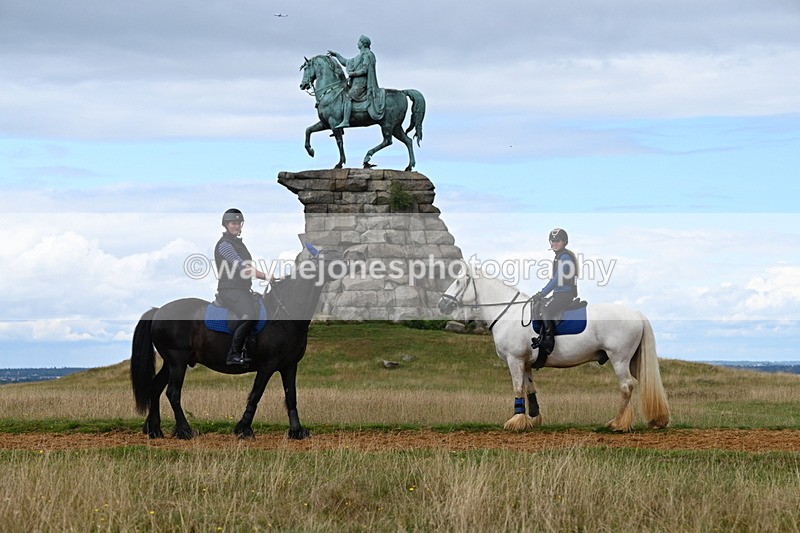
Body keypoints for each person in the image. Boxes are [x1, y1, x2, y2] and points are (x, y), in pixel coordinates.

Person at [214, 208, 268, 366]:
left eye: (238, 223)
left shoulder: (238, 244)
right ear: (226, 225)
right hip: (229, 290)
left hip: (242, 289)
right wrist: (266, 276)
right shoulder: (224, 245)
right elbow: (243, 268)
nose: (236, 226)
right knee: (249, 314)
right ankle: (233, 354)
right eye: (233, 223)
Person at [531, 228, 579, 369]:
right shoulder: (560, 256)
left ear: (564, 242)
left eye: (557, 241)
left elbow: (557, 279)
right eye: (552, 241)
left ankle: (548, 341)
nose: (554, 243)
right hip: (560, 293)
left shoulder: (565, 257)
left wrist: (541, 293)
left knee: (545, 308)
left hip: (564, 294)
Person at [327, 35, 384, 128]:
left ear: (363, 44)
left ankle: (346, 121)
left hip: (362, 83)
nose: (357, 43)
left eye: (359, 42)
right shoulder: (359, 56)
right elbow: (346, 62)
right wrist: (336, 55)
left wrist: (353, 74)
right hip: (355, 83)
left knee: (347, 96)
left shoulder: (367, 55)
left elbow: (365, 69)